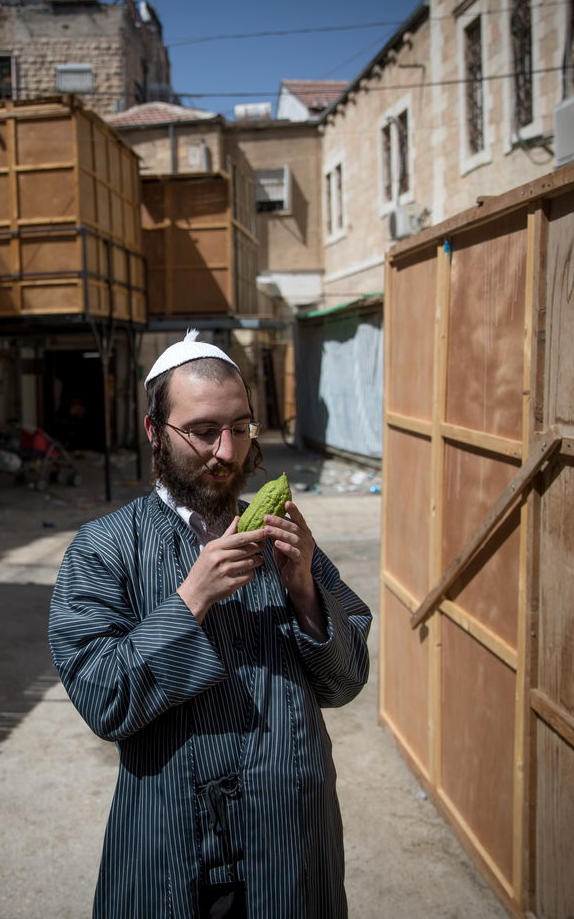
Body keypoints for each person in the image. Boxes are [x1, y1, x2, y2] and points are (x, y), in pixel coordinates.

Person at [48, 331, 372, 918]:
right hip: (172, 841)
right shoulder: (103, 549)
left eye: (242, 428)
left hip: (291, 841)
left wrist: (303, 589)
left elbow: (344, 683)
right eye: (202, 432)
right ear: (154, 432)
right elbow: (103, 700)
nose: (228, 451)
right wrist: (190, 599)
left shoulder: (283, 536)